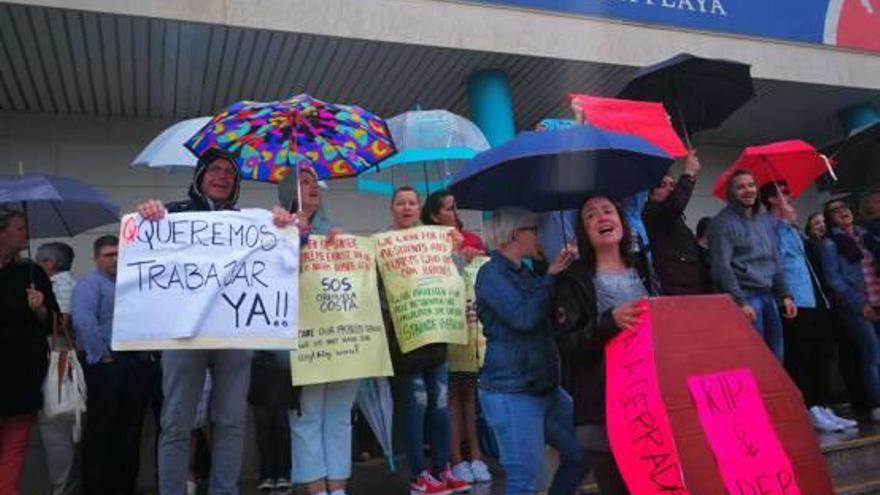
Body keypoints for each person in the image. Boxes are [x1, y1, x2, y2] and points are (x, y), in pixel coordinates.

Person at [137, 150, 295, 495]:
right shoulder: (171, 215)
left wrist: (281, 225)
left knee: (231, 422)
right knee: (176, 423)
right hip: (182, 335)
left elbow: (283, 256)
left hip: (232, 333)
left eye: (229, 173)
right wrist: (147, 215)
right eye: (215, 170)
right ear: (199, 175)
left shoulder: (247, 223)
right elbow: (141, 249)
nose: (222, 177)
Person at [475, 206, 589, 495]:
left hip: (543, 385)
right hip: (511, 390)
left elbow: (546, 313)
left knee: (583, 452)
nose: (539, 236)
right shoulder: (490, 274)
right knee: (524, 481)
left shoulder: (525, 272)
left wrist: (563, 273)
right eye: (534, 230)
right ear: (516, 234)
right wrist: (550, 276)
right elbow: (523, 317)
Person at [552, 195, 655, 495]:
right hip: (602, 409)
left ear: (622, 221)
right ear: (584, 231)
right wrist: (609, 321)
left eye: (608, 211)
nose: (602, 217)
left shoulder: (643, 267)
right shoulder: (574, 279)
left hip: (650, 404)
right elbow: (567, 344)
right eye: (591, 216)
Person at [381, 186, 471, 495]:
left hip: (435, 337)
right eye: (400, 203)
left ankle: (442, 469)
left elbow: (453, 282)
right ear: (392, 209)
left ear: (419, 208)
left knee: (441, 405)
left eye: (411, 202)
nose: (406, 207)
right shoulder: (383, 243)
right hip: (404, 340)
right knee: (415, 406)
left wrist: (457, 253)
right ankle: (418, 473)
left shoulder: (435, 241)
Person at [282, 166, 357, 495]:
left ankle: (337, 488)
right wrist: (292, 238)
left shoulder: (334, 231)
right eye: (303, 181)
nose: (313, 187)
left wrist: (347, 248)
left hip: (340, 336)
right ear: (288, 191)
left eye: (315, 182)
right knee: (307, 416)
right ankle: (316, 488)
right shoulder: (276, 230)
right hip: (302, 339)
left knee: (339, 414)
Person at [760, 183, 857, 431]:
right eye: (782, 191)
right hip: (794, 298)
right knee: (800, 355)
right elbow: (775, 262)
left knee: (821, 352)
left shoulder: (791, 226)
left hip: (814, 297)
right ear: (771, 199)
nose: (788, 195)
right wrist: (784, 295)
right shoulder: (768, 227)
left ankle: (823, 405)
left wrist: (790, 223)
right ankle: (809, 406)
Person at [421, 190, 492, 485]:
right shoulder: (426, 242)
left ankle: (476, 456)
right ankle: (456, 458)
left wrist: (473, 254)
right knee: (450, 395)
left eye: (455, 206)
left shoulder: (471, 239)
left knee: (469, 394)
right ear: (436, 215)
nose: (455, 212)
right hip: (446, 324)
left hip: (471, 325)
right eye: (448, 208)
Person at [72, 235, 153, 495]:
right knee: (102, 431)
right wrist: (102, 356)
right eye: (109, 255)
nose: (115, 259)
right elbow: (84, 322)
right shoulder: (90, 285)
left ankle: (124, 487)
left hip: (135, 364)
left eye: (119, 254)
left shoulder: (132, 284)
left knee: (131, 430)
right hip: (106, 365)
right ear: (97, 258)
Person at [708, 170, 797, 360]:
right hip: (745, 297)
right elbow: (721, 266)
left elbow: (775, 260)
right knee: (756, 359)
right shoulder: (721, 223)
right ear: (730, 193)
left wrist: (785, 294)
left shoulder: (765, 221)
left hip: (769, 295)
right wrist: (739, 301)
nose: (747, 190)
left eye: (751, 185)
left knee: (777, 357)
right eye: (740, 187)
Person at [0, 207, 58, 495]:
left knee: (16, 444)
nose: (27, 233)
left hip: (22, 372)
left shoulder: (31, 273)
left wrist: (40, 309)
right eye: (20, 228)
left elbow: (54, 323)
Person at [821, 198, 880, 422]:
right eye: (835, 210)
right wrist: (860, 304)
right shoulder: (831, 244)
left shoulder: (867, 235)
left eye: (845, 207)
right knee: (872, 354)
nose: (843, 211)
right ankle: (876, 404)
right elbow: (834, 280)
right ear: (830, 219)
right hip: (857, 307)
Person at [35, 241, 82, 495]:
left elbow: (63, 320)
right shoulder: (65, 282)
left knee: (58, 431)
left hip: (59, 367)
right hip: (61, 366)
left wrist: (38, 309)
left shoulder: (61, 284)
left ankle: (63, 489)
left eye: (39, 261)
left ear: (50, 264)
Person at [642, 149, 709, 294]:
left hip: (691, 283)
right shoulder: (651, 212)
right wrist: (689, 173)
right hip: (675, 288)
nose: (670, 189)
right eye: (662, 185)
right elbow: (675, 206)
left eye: (672, 185)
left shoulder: (675, 216)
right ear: (650, 192)